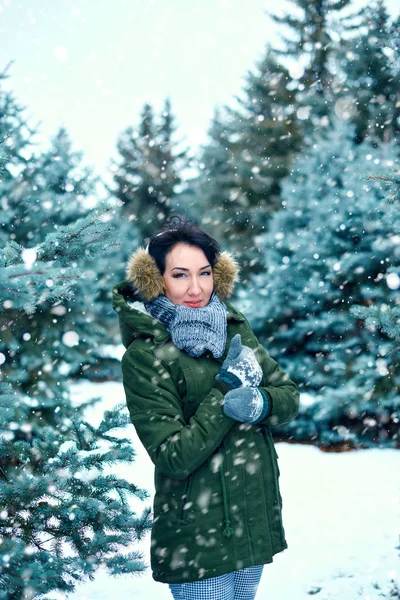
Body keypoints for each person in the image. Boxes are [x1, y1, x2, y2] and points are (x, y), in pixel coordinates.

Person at [112, 215, 300, 600]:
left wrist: (260, 402)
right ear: (156, 279)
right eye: (180, 275)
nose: (196, 288)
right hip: (197, 532)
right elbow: (173, 455)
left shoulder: (233, 326)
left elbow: (288, 396)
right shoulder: (145, 355)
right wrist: (226, 393)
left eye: (205, 273)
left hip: (251, 514)